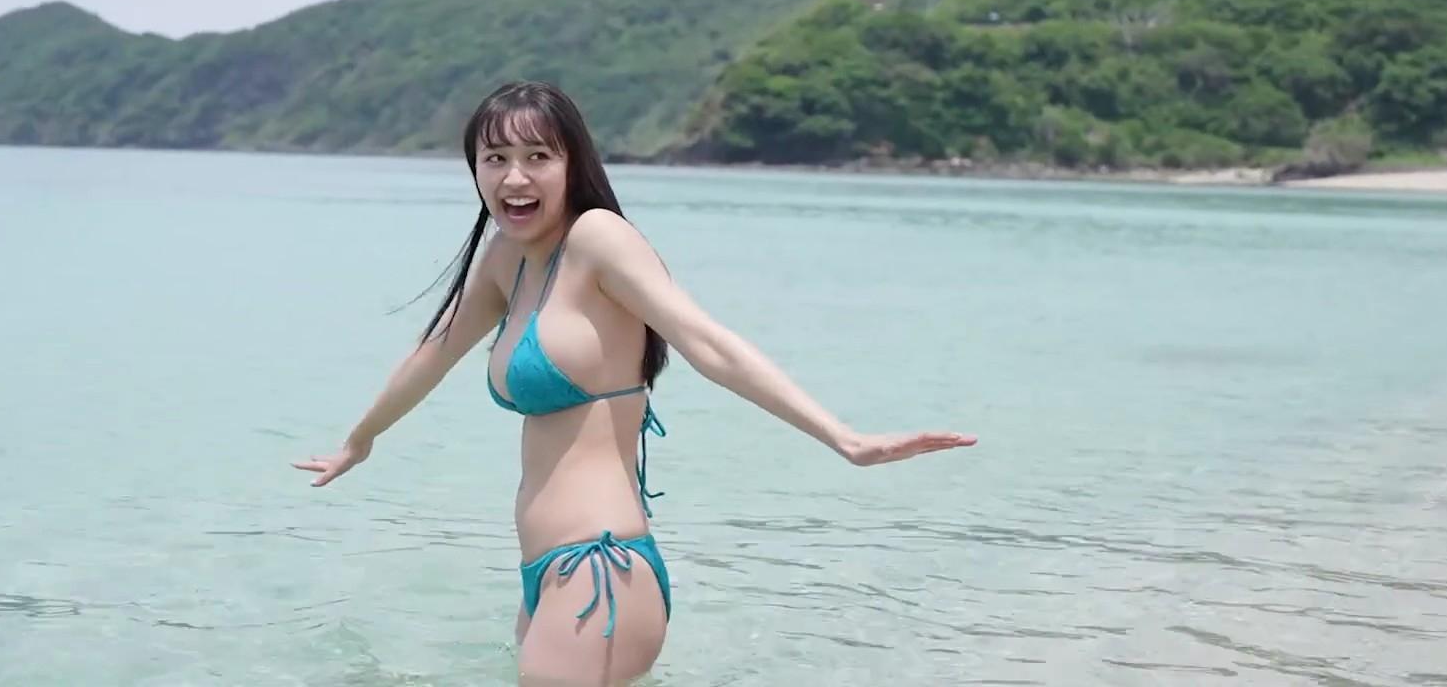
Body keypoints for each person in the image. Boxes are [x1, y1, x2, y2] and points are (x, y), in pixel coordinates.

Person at [293, 81, 975, 685]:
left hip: (600, 571)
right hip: (548, 579)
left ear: (574, 164)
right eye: (494, 159)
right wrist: (361, 440)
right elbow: (433, 352)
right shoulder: (509, 258)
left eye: (537, 156)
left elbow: (708, 343)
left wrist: (844, 439)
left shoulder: (598, 239)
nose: (513, 177)